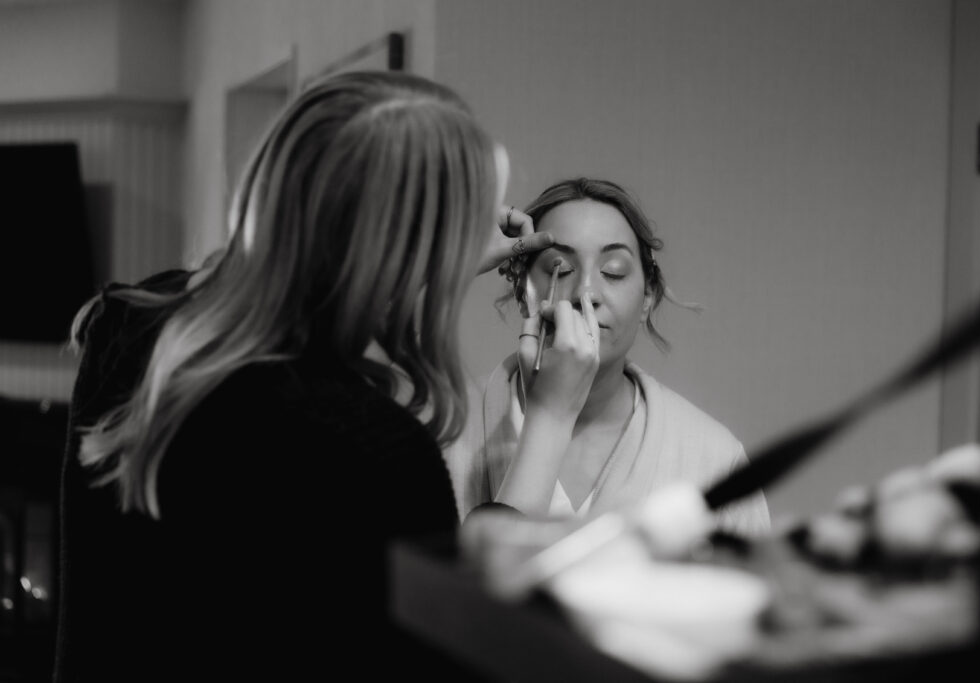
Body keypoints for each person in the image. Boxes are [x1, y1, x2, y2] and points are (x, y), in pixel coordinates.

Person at [52, 70, 554, 682]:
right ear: (415, 253)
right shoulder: (369, 450)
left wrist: (420, 265)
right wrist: (550, 420)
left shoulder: (130, 329)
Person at [445, 178, 770, 536]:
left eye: (613, 271)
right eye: (560, 269)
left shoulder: (715, 458)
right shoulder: (442, 430)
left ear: (648, 296)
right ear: (523, 292)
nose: (586, 291)